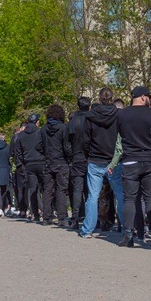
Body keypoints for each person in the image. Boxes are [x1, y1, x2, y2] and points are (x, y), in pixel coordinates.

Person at [116, 85, 151, 247]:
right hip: (150, 159)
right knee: (150, 199)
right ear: (144, 97)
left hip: (130, 158)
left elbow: (119, 135)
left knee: (130, 199)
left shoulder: (122, 114)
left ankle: (128, 236)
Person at [79, 88, 121, 239]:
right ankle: (126, 228)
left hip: (95, 158)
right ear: (112, 98)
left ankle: (88, 229)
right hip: (113, 159)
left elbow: (85, 140)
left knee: (93, 196)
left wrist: (89, 153)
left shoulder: (90, 117)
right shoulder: (118, 115)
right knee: (120, 195)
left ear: (99, 98)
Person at [40, 104, 72, 225]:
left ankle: (46, 217)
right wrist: (69, 158)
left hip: (48, 162)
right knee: (61, 190)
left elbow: (39, 145)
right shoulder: (63, 128)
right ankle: (62, 217)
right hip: (61, 161)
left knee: (47, 190)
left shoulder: (43, 129)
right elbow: (66, 146)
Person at [13, 114, 46, 221]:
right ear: (37, 122)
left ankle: (35, 213)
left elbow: (18, 152)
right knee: (46, 188)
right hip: (41, 162)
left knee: (33, 189)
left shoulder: (21, 135)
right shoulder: (40, 132)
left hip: (29, 163)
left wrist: (22, 164)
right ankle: (47, 212)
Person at [66, 96, 91, 229]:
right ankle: (91, 217)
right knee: (90, 190)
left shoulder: (72, 121)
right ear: (89, 106)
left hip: (77, 157)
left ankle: (75, 218)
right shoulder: (92, 119)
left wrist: (71, 155)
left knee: (77, 189)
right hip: (90, 157)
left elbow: (67, 143)